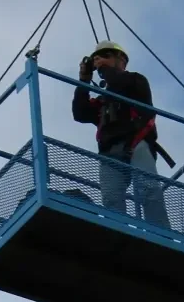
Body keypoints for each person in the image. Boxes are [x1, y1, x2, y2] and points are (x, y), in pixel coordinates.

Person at [72, 41, 172, 229]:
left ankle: (161, 233)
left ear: (122, 61)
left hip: (136, 143)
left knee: (148, 189)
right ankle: (118, 233)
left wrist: (105, 68)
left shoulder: (136, 81)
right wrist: (84, 80)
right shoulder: (104, 101)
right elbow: (79, 113)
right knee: (111, 198)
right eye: (99, 58)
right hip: (110, 152)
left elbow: (120, 83)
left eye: (107, 56)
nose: (101, 61)